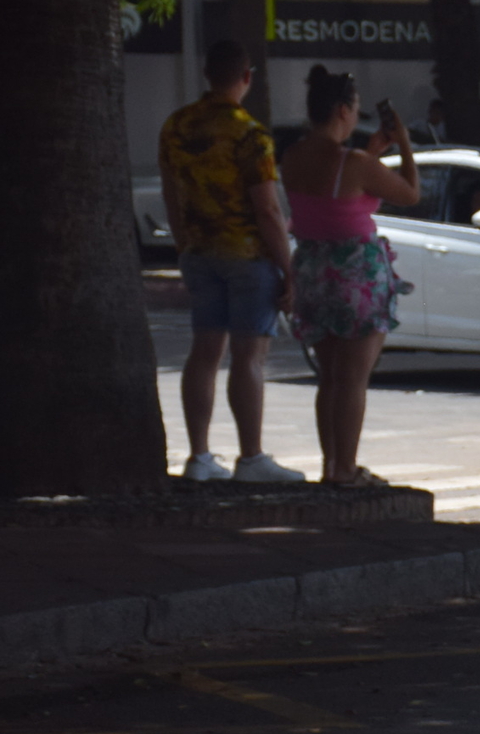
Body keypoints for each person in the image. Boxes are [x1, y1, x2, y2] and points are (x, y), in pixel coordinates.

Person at [159, 39, 305, 482]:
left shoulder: (176, 126)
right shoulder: (251, 134)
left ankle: (200, 457)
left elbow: (171, 192)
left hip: (199, 253)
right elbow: (267, 210)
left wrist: (185, 244)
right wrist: (289, 269)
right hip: (246, 256)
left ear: (207, 74)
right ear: (246, 77)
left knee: (203, 352)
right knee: (249, 357)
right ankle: (251, 457)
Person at [282, 67, 422, 486]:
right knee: (354, 381)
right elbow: (411, 193)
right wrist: (405, 145)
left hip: (312, 270)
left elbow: (336, 198)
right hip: (356, 275)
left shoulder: (292, 157)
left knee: (330, 378)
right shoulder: (355, 162)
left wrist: (372, 152)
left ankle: (331, 466)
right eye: (356, 109)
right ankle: (347, 469)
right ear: (343, 109)